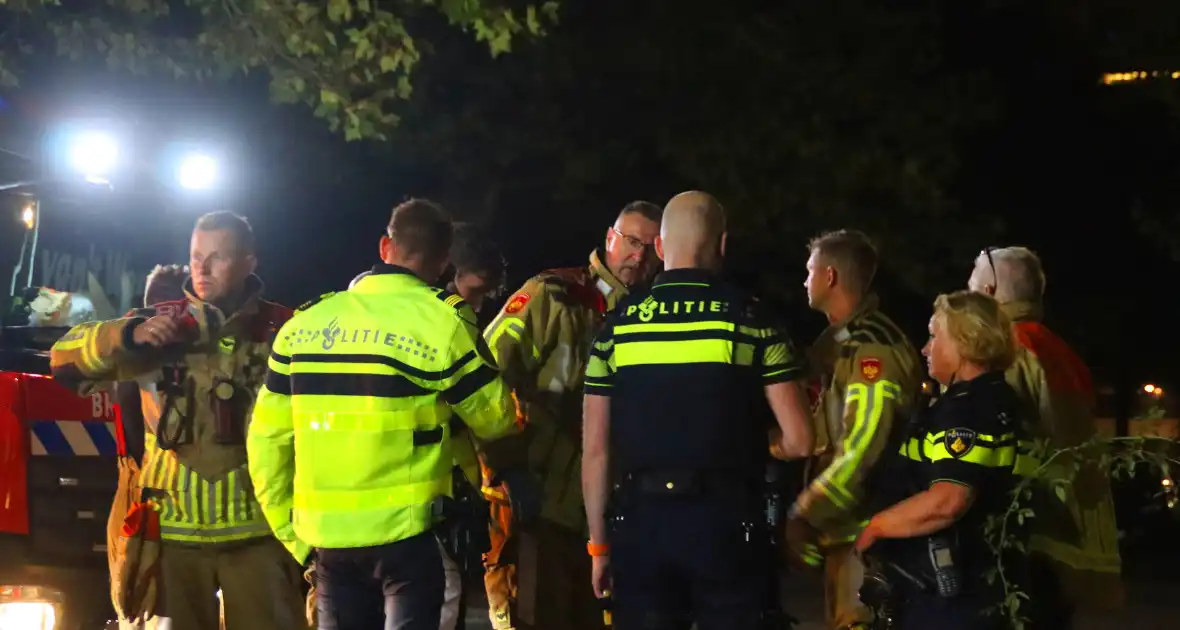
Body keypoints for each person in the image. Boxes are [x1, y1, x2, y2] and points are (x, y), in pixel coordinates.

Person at [247, 198, 516, 630]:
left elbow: (265, 443)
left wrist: (294, 537)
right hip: (409, 539)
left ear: (384, 246)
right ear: (444, 261)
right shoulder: (442, 323)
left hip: (328, 544)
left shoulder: (304, 325)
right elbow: (498, 419)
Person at [50, 212, 304, 630]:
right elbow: (63, 360)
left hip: (259, 537)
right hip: (169, 539)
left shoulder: (284, 329)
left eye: (217, 257)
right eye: (195, 256)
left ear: (248, 263)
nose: (201, 269)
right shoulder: (157, 325)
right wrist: (128, 335)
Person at [581, 191, 815, 629]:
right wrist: (754, 443)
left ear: (661, 248)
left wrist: (599, 547)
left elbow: (596, 451)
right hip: (726, 524)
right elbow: (801, 439)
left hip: (641, 525)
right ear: (722, 245)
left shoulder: (618, 328)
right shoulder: (753, 321)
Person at [480, 200, 663, 630]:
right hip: (539, 504)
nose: (639, 255)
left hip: (610, 514)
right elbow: (483, 377)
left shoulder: (651, 317)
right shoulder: (554, 294)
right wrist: (506, 466)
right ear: (610, 238)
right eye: (632, 242)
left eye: (652, 247)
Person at [853, 290, 1034, 630]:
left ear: (966, 341)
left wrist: (875, 527)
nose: (925, 348)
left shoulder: (967, 409)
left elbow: (948, 501)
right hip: (985, 583)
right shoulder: (1002, 400)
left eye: (935, 336)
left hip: (953, 597)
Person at [969, 246, 1123, 623]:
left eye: (970, 283)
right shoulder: (1058, 350)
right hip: (1062, 538)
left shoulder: (1007, 348)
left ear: (988, 292)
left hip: (1024, 537)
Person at [785, 229, 923, 630]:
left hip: (869, 533)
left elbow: (864, 448)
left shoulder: (871, 351)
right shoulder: (841, 345)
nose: (803, 281)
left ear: (829, 277)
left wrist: (806, 511)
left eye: (809, 271)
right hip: (848, 534)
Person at [440, 223, 508, 630]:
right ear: (449, 270)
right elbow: (490, 414)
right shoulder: (446, 324)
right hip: (433, 494)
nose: (480, 305)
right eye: (477, 290)